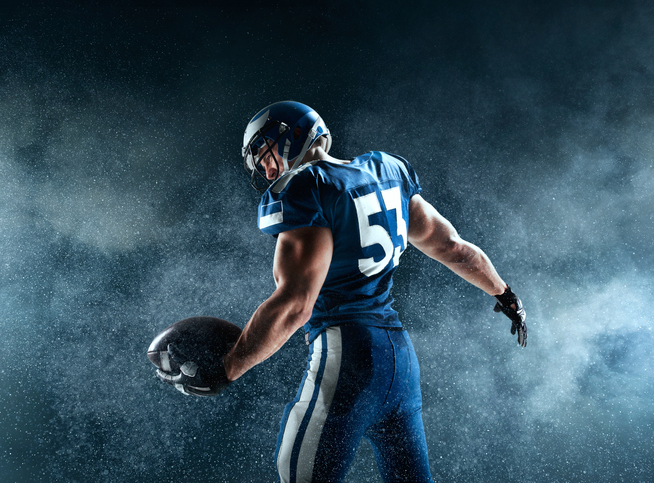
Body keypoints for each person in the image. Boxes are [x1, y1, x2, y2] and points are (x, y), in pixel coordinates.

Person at [164, 101, 527, 483]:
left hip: (347, 356)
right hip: (400, 362)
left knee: (299, 474)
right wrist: (505, 294)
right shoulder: (387, 170)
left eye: (263, 152)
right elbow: (452, 247)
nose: (264, 168)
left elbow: (296, 305)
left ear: (288, 135)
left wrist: (228, 368)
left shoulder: (306, 188)